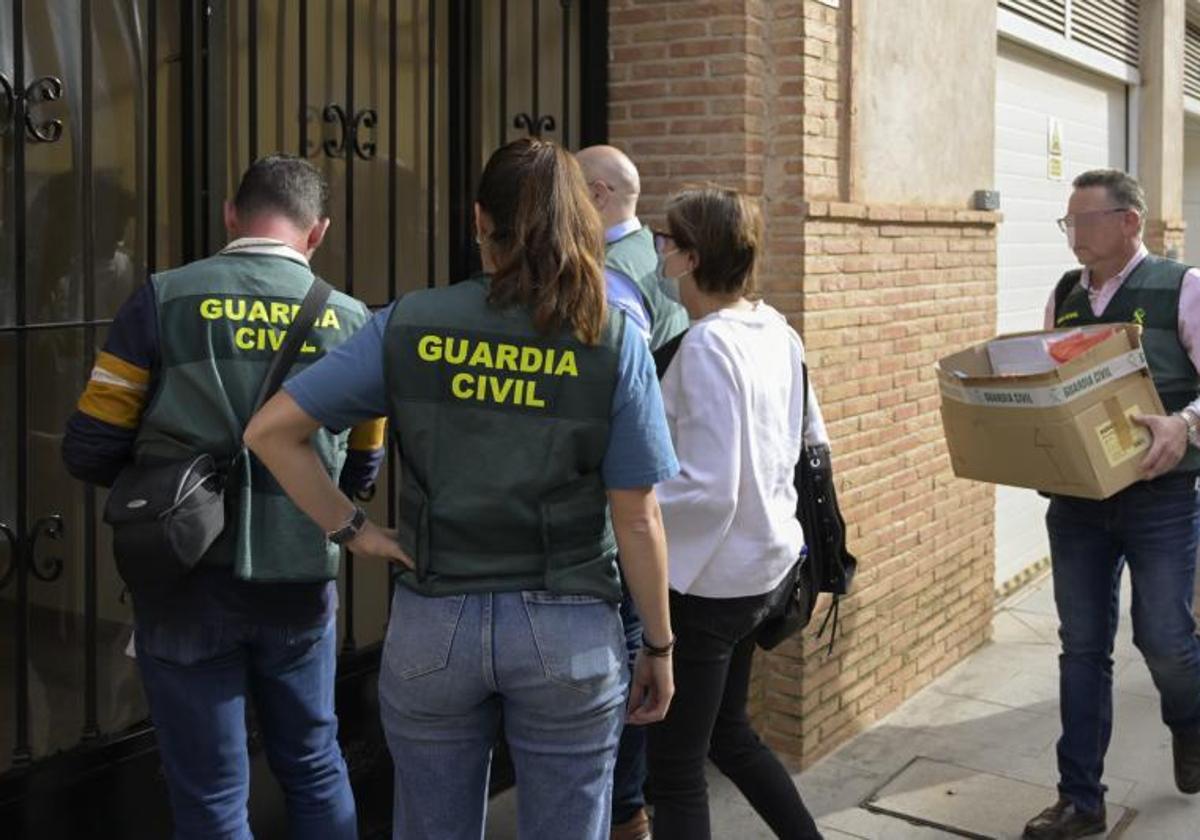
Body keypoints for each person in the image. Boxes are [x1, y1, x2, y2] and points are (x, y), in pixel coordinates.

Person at [244, 137, 678, 840]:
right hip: (568, 624)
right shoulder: (610, 336)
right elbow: (637, 516)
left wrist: (353, 531)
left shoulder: (408, 323)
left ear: (480, 219)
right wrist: (657, 645)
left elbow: (270, 432)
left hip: (434, 617)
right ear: (579, 218)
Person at [62, 154, 383, 840]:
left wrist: (166, 483)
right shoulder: (356, 322)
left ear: (232, 216)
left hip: (183, 580)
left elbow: (89, 445)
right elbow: (362, 473)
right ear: (317, 232)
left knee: (210, 796)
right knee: (314, 765)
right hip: (299, 578)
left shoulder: (162, 297)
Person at [1022, 169, 1200, 840]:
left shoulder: (1182, 288)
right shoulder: (1066, 295)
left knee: (1164, 639)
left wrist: (1185, 425)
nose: (1073, 235)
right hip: (1078, 505)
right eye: (1068, 223)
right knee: (1082, 647)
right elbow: (1047, 383)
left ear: (1129, 222)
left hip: (1162, 498)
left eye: (1084, 220)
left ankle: (1190, 718)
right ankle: (1081, 801)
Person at [644, 185, 823, 840]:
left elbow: (710, 487)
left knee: (675, 768)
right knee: (730, 736)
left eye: (665, 242)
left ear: (688, 258)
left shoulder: (708, 346)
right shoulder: (775, 330)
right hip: (763, 569)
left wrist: (629, 509)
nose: (658, 253)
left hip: (712, 586)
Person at [576, 143, 688, 840]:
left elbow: (617, 399)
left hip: (627, 505)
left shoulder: (613, 276)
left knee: (623, 679)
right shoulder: (661, 258)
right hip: (656, 494)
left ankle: (623, 817)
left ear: (595, 194)